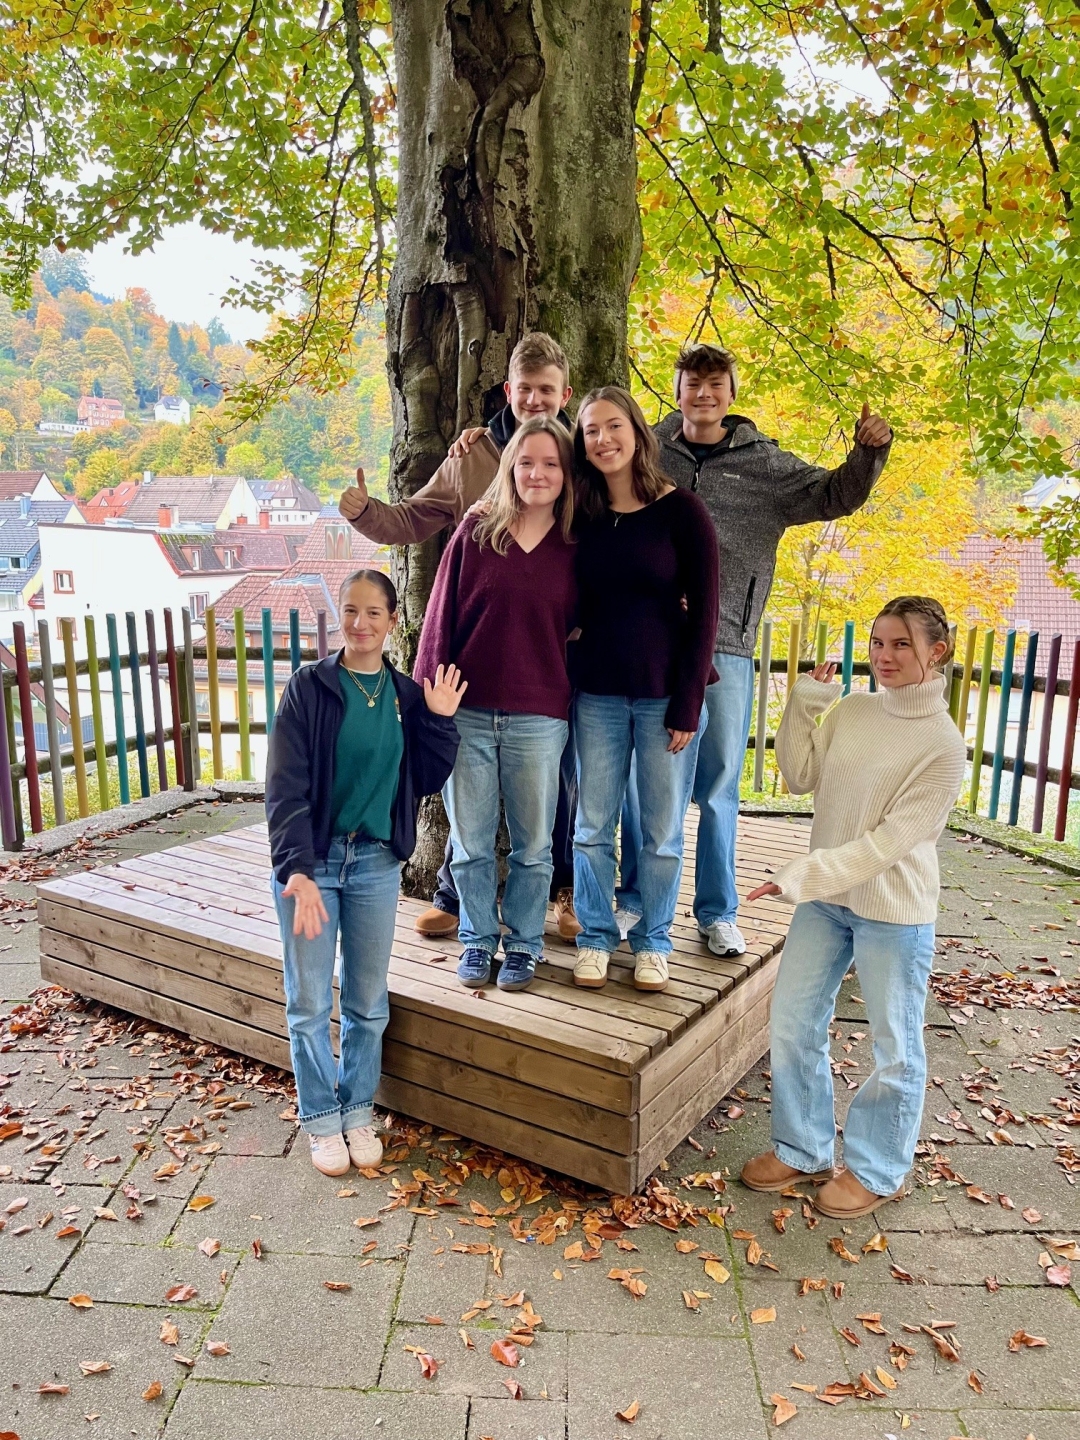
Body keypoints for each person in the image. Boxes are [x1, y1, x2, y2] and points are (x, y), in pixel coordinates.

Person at [618, 344, 893, 959]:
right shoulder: (647, 453)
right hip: (653, 646)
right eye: (692, 384)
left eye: (716, 385)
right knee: (645, 781)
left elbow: (834, 495)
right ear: (678, 390)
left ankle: (716, 911)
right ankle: (634, 895)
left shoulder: (764, 466)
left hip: (729, 645)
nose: (704, 395)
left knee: (718, 786)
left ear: (731, 394)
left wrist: (870, 452)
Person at [339, 332, 581, 943]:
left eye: (546, 391)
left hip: (550, 655)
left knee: (556, 791)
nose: (535, 401)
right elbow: (413, 518)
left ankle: (564, 895)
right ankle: (456, 897)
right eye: (525, 390)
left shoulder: (579, 460)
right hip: (476, 651)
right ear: (509, 391)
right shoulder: (471, 456)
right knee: (467, 797)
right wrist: (366, 514)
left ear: (564, 394)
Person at [740, 596, 966, 1219]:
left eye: (899, 644)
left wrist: (802, 874)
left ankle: (876, 1167)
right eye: (877, 643)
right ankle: (803, 1149)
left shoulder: (943, 748)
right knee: (791, 1024)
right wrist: (806, 707)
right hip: (826, 903)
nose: (884, 656)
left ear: (935, 652)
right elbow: (798, 773)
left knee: (895, 1046)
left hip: (893, 912)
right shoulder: (856, 710)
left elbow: (889, 845)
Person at [265, 570, 465, 1177]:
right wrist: (295, 869)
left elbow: (426, 779)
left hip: (376, 864)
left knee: (366, 1001)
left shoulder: (405, 696)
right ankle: (321, 1120)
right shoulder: (310, 688)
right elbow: (284, 786)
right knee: (306, 1001)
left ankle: (357, 1110)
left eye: (373, 613)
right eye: (350, 611)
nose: (360, 623)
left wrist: (438, 718)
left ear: (392, 622)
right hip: (313, 867)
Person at [414, 416, 577, 992]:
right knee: (472, 842)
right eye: (527, 462)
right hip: (469, 711)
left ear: (566, 473)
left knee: (534, 847)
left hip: (540, 715)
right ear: (510, 468)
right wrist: (432, 696)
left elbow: (604, 622)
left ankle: (525, 946)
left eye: (551, 463)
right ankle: (479, 941)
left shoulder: (577, 544)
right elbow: (440, 615)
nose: (538, 473)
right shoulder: (478, 531)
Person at [570, 387, 719, 994]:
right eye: (590, 432)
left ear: (636, 432)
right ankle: (595, 937)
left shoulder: (683, 511)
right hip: (597, 696)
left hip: (663, 698)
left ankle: (655, 940)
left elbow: (706, 613)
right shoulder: (578, 513)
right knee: (592, 826)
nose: (602, 440)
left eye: (613, 427)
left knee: (659, 832)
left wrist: (688, 701)